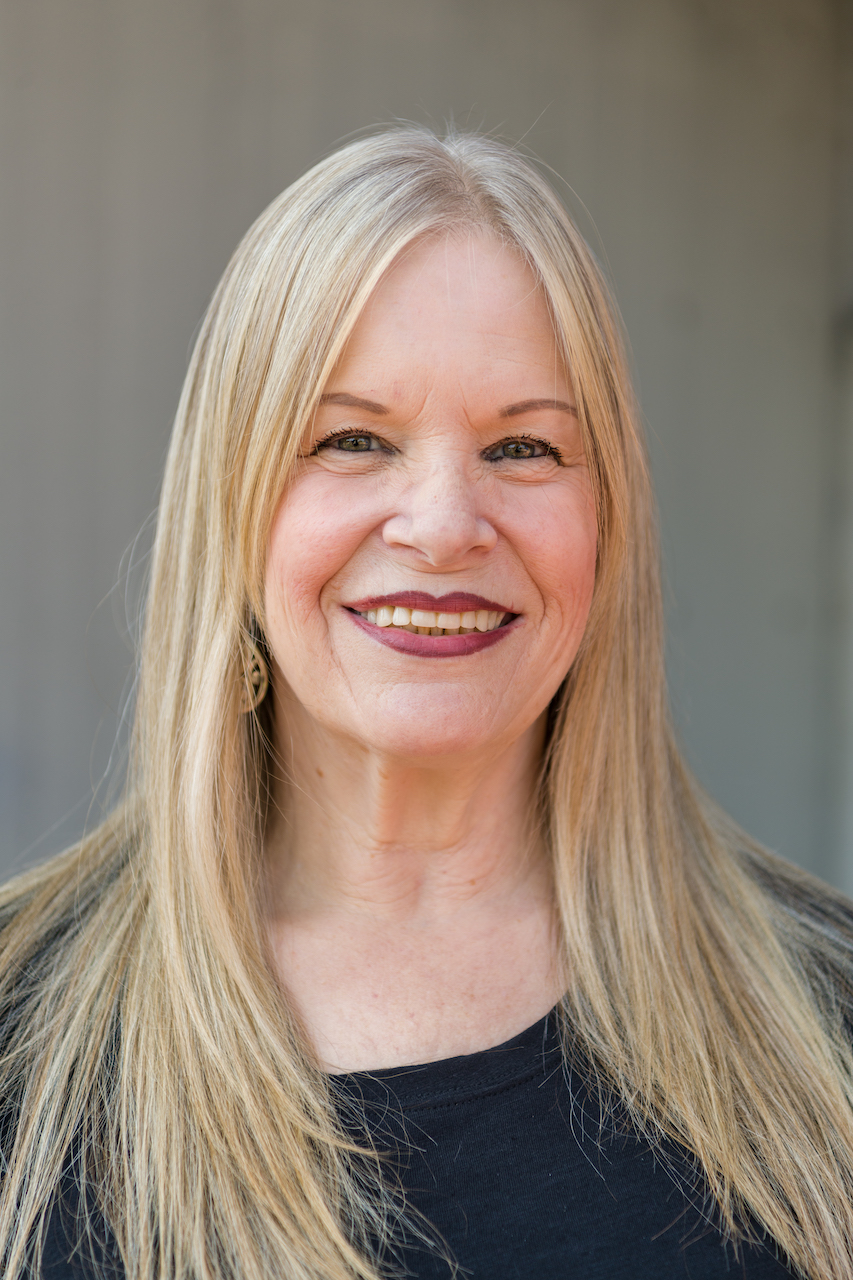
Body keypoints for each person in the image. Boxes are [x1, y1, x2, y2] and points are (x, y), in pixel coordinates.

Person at [1, 128, 852, 1280]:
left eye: (524, 446)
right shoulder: (22, 1035)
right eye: (352, 438)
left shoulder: (827, 1023)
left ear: (610, 526)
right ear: (233, 502)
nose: (446, 524)